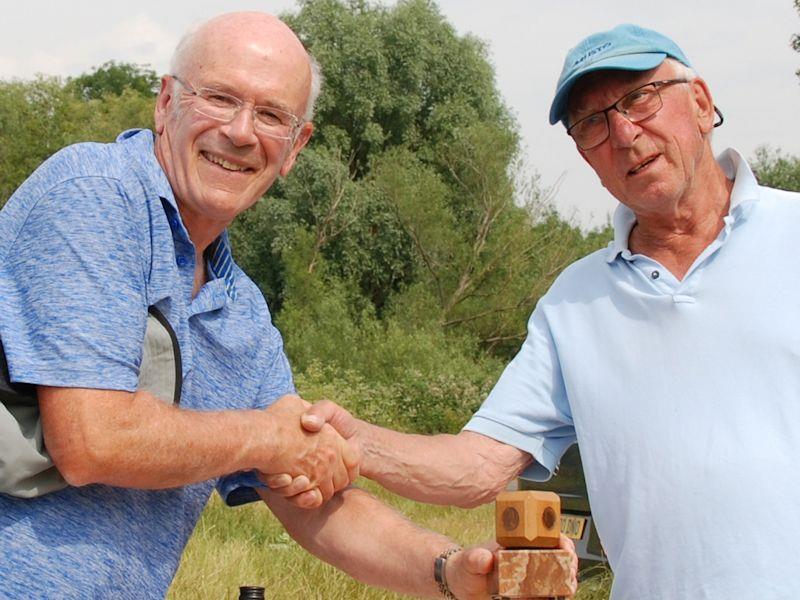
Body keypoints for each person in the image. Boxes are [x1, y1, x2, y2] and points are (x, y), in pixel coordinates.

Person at [0, 12, 576, 599]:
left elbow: (311, 501)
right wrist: (266, 437)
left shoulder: (241, 313)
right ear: (166, 103)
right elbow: (93, 439)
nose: (242, 132)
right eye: (220, 98)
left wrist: (451, 571)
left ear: (296, 146)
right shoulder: (95, 195)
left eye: (272, 115)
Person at [291, 24, 800, 599]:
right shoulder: (574, 301)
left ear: (702, 104)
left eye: (639, 97)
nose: (625, 133)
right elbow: (480, 465)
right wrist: (353, 440)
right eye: (591, 124)